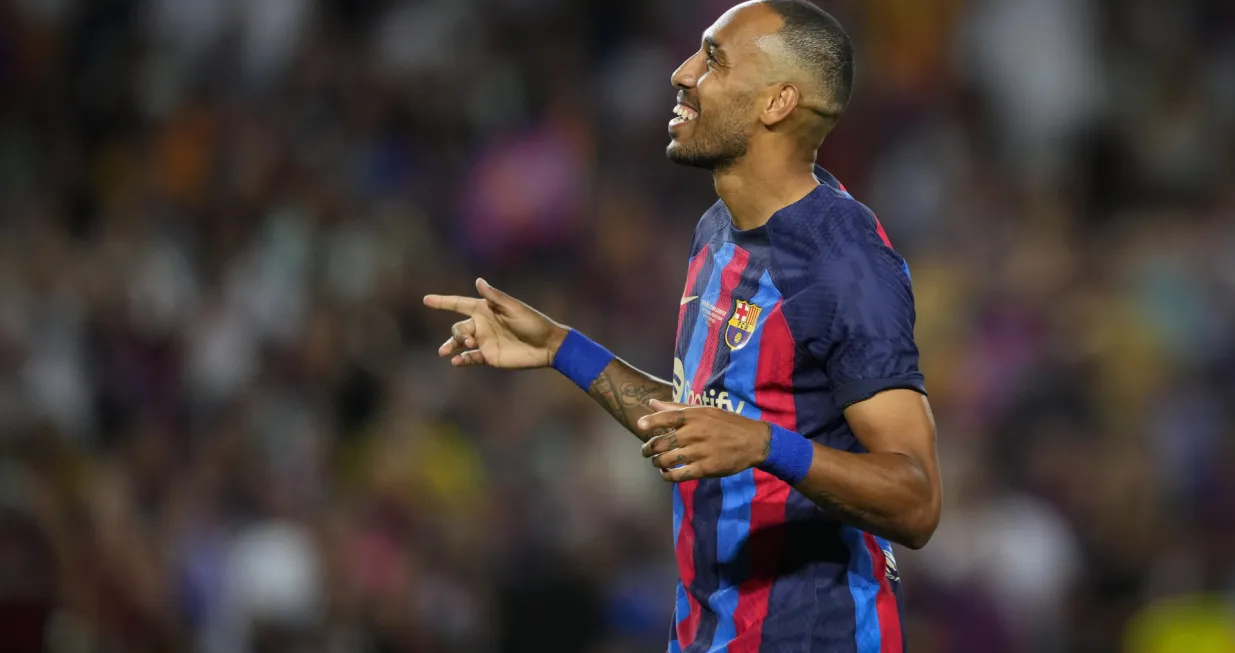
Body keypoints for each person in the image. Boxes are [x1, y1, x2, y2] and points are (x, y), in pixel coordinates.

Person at [423, 1, 941, 651]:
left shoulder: (846, 263)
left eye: (713, 58)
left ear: (776, 103)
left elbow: (915, 501)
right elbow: (705, 424)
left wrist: (763, 445)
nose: (681, 71)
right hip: (709, 632)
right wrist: (561, 347)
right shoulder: (716, 230)